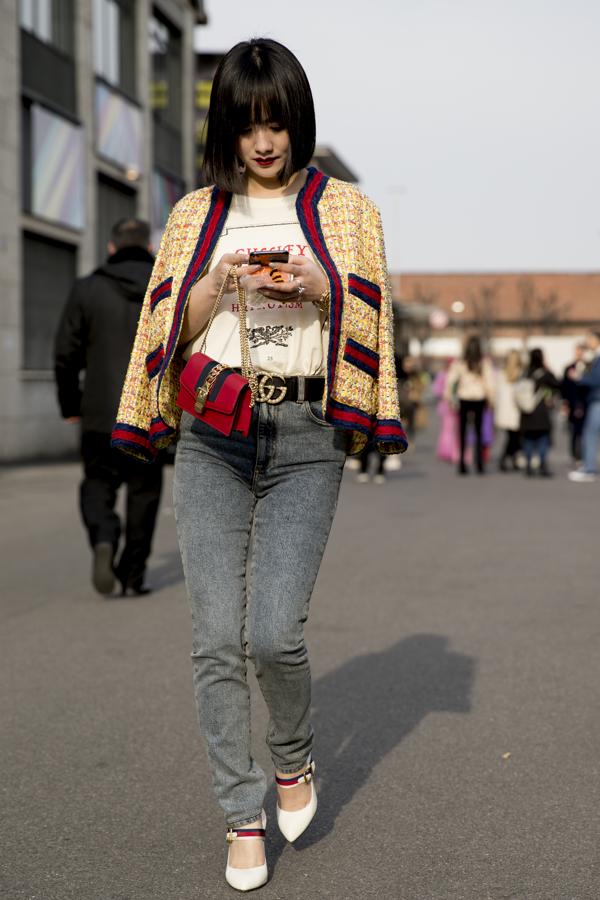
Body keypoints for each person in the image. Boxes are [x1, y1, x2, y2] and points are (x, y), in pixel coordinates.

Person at [111, 38, 407, 892]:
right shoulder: (192, 215)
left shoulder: (348, 209)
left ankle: (291, 756)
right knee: (213, 639)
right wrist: (222, 283)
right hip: (213, 431)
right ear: (227, 129)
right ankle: (241, 814)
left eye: (276, 120)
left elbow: (372, 314)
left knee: (272, 635)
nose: (265, 140)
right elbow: (166, 321)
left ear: (296, 122)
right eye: (248, 124)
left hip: (306, 434)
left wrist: (317, 286)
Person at [54, 219, 163, 596]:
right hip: (147, 412)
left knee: (97, 482)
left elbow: (65, 353)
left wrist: (71, 404)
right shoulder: (162, 286)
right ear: (149, 248)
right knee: (144, 491)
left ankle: (104, 534)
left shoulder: (87, 288)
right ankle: (132, 574)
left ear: (111, 248)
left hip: (99, 412)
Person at [445, 336, 495, 475]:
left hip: (464, 398)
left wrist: (449, 398)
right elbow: (490, 382)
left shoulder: (460, 362)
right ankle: (479, 463)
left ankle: (462, 463)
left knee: (462, 432)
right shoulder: (484, 362)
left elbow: (451, 381)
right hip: (479, 398)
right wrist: (491, 399)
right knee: (479, 431)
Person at [518, 348, 561, 477]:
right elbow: (557, 384)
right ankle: (542, 464)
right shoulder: (545, 374)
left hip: (527, 410)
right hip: (541, 410)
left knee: (528, 439)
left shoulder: (525, 373)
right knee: (543, 439)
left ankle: (529, 465)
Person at [568, 330, 600, 483]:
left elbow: (596, 379)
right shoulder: (594, 358)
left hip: (598, 401)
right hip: (594, 401)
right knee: (590, 434)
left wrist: (580, 377)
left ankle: (589, 468)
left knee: (590, 435)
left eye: (589, 339)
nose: (587, 342)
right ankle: (588, 466)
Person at [494, 349, 523, 471]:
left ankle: (512, 458)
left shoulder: (501, 374)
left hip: (504, 411)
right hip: (515, 410)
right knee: (514, 437)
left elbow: (497, 394)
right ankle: (505, 458)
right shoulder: (520, 374)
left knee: (512, 437)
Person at [561, 343, 587, 465]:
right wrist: (565, 403)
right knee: (573, 431)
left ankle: (583, 455)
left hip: (584, 404)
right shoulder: (568, 368)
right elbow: (564, 387)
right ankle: (574, 456)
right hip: (572, 403)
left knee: (584, 431)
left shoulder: (588, 367)